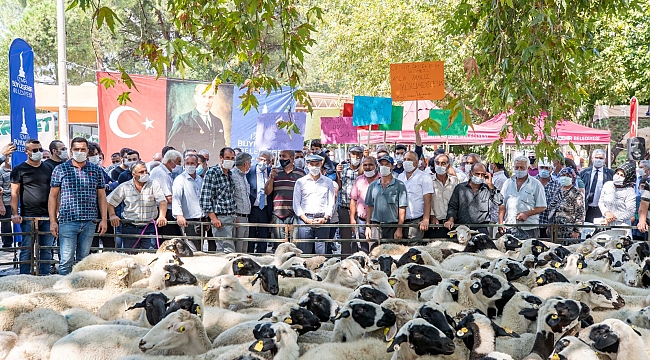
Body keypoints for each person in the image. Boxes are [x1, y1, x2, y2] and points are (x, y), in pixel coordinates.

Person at [48, 137, 108, 275]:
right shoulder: (60, 169)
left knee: (84, 261)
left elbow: (101, 196)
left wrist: (104, 219)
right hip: (68, 220)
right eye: (76, 149)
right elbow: (52, 196)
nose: (79, 152)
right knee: (66, 261)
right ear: (71, 150)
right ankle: (63, 292)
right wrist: (52, 221)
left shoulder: (96, 170)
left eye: (82, 149)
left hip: (89, 220)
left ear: (87, 151)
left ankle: (81, 291)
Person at [10, 139, 54, 275]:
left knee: (46, 248)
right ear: (27, 151)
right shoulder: (19, 169)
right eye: (35, 150)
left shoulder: (48, 168)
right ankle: (24, 277)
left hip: (47, 215)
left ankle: (44, 277)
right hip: (27, 215)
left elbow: (54, 193)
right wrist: (15, 213)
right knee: (26, 248)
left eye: (40, 149)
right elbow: (14, 193)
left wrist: (55, 213)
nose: (38, 152)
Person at [107, 162, 168, 249]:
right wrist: (112, 215)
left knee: (148, 256)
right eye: (141, 172)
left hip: (148, 227)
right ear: (133, 174)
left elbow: (162, 201)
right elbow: (110, 201)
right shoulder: (125, 186)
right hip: (129, 227)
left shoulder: (154, 184)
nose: (145, 174)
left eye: (145, 171)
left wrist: (162, 216)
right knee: (130, 257)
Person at [292, 154, 335, 254]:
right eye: (312, 164)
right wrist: (306, 219)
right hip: (305, 220)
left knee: (321, 253)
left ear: (321, 164)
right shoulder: (300, 182)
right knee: (305, 252)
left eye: (317, 164)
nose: (315, 167)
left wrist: (325, 218)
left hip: (322, 219)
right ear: (307, 165)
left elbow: (331, 202)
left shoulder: (328, 182)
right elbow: (296, 203)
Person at [444, 162, 502, 236]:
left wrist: (490, 185)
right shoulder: (460, 188)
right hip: (463, 228)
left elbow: (499, 201)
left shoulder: (487, 189)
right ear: (471, 173)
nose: (480, 177)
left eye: (482, 175)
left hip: (481, 229)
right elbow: (453, 206)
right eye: (477, 174)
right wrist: (450, 219)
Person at [167, 84, 226, 153]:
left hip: (213, 163)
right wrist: (186, 160)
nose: (207, 101)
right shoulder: (183, 120)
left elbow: (221, 147)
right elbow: (172, 146)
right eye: (203, 96)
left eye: (210, 97)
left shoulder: (217, 121)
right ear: (196, 98)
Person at [264, 150, 303, 253]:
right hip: (278, 214)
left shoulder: (300, 173)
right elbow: (267, 192)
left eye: (284, 156)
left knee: (295, 246)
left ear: (292, 158)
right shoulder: (275, 172)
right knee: (279, 247)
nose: (281, 158)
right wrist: (271, 178)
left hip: (295, 214)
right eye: (280, 156)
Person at [499, 156, 547, 238]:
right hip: (510, 226)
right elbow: (502, 205)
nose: (519, 170)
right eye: (517, 167)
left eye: (522, 167)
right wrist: (500, 223)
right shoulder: (507, 183)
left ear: (528, 168)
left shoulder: (536, 184)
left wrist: (527, 214)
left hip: (529, 228)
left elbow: (542, 206)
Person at [200, 147, 237, 253]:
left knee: (229, 249)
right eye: (227, 158)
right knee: (226, 250)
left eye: (232, 158)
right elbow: (205, 199)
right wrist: (213, 218)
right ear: (221, 158)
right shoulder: (212, 173)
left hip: (231, 217)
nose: (230, 160)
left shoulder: (230, 174)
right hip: (220, 218)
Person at [365, 155, 408, 241]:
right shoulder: (373, 186)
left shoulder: (400, 185)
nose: (384, 166)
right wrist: (368, 226)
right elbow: (370, 207)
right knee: (374, 252)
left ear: (392, 167)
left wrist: (399, 228)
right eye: (382, 164)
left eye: (387, 164)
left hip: (392, 226)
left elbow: (402, 209)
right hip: (376, 226)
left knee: (391, 253)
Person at [397, 151, 433, 240]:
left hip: (417, 221)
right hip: (402, 220)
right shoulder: (400, 177)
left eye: (409, 159)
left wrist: (425, 219)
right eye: (404, 159)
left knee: (414, 250)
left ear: (416, 162)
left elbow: (427, 200)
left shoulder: (424, 177)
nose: (406, 162)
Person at [172, 154, 205, 251]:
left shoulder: (200, 179)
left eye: (192, 163)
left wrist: (205, 216)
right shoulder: (180, 179)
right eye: (187, 163)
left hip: (200, 219)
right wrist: (179, 215)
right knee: (192, 249)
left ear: (197, 164)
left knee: (200, 248)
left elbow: (202, 198)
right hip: (188, 220)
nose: (190, 166)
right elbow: (176, 198)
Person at [149, 150, 183, 237]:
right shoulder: (162, 174)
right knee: (168, 239)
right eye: (178, 162)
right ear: (169, 161)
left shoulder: (165, 172)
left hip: (164, 210)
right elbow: (169, 198)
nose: (179, 165)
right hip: (163, 212)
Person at [336, 146, 363, 254]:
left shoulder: (364, 169)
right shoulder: (343, 169)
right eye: (353, 154)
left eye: (358, 155)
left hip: (359, 208)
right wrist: (338, 174)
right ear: (349, 155)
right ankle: (345, 261)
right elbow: (339, 186)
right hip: (344, 206)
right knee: (345, 237)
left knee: (358, 237)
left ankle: (357, 259)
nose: (355, 157)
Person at [350, 156, 379, 253]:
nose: (367, 167)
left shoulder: (382, 179)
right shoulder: (359, 180)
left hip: (377, 222)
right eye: (365, 165)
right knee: (363, 250)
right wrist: (352, 219)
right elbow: (353, 200)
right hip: (361, 221)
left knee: (376, 251)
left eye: (370, 165)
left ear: (376, 166)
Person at [428, 153, 460, 238]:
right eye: (437, 163)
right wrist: (432, 216)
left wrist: (451, 218)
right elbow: (426, 200)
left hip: (452, 223)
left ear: (448, 165)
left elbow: (458, 201)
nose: (440, 165)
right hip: (435, 224)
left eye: (443, 163)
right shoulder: (428, 180)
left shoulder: (455, 181)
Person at [549, 167, 585, 239]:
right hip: (555, 229)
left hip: (570, 229)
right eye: (563, 175)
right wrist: (549, 225)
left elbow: (580, 213)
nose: (564, 178)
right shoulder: (557, 191)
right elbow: (551, 209)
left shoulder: (577, 193)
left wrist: (577, 231)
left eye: (567, 176)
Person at [579, 149, 614, 223]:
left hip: (602, 210)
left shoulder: (610, 174)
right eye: (596, 157)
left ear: (605, 160)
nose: (598, 160)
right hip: (587, 209)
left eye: (601, 158)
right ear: (592, 159)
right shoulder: (584, 173)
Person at [598, 162, 636, 229]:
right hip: (605, 222)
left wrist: (613, 218)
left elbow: (631, 211)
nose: (618, 176)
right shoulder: (607, 185)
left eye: (622, 175)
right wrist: (606, 213)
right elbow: (601, 202)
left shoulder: (630, 190)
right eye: (617, 174)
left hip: (622, 225)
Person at [231, 152, 252, 253]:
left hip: (246, 216)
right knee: (237, 249)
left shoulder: (244, 176)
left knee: (244, 248)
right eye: (250, 163)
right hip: (237, 217)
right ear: (246, 164)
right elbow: (230, 196)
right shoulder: (232, 175)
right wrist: (234, 216)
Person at [536, 158, 562, 236]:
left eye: (547, 168)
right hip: (533, 223)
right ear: (538, 168)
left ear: (551, 169)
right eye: (542, 167)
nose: (544, 170)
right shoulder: (531, 182)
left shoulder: (557, 184)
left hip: (549, 225)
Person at [0, 157, 12, 248]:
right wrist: (1, 205)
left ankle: (19, 240)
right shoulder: (1, 171)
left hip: (18, 201)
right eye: (9, 156)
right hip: (6, 201)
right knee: (6, 223)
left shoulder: (17, 169)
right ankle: (7, 243)